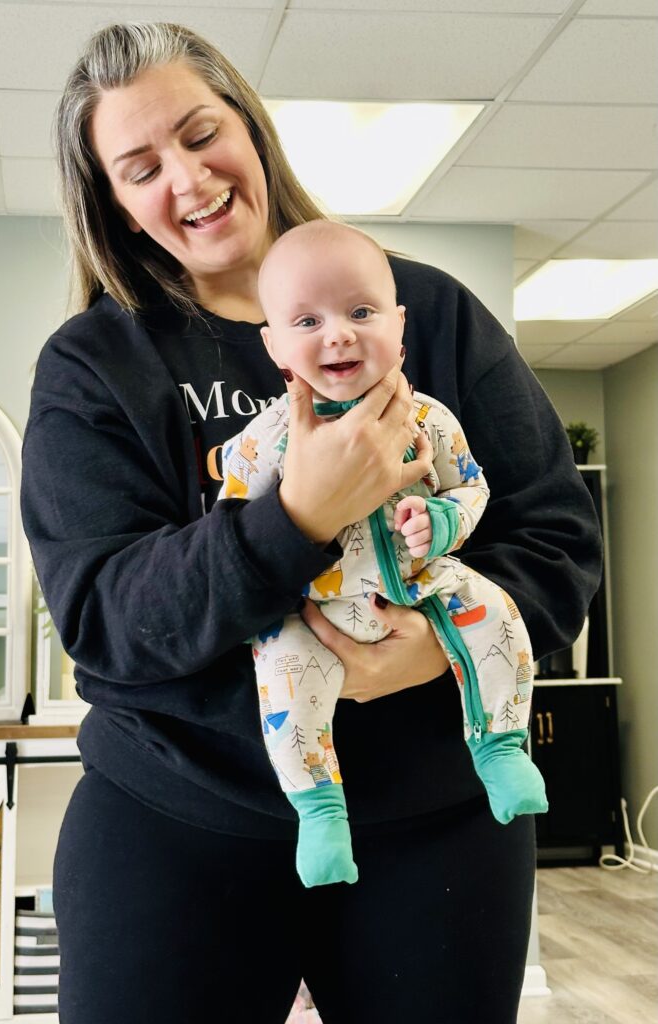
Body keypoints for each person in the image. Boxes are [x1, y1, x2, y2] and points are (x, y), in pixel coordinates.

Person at [20, 21, 602, 1024]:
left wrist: (429, 652)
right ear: (112, 202)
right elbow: (106, 618)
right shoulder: (95, 364)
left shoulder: (423, 306)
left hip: (434, 830)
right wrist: (294, 516)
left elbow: (556, 537)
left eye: (202, 134)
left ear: (250, 127)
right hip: (177, 823)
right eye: (141, 166)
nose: (189, 180)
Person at [219, 220, 547, 888]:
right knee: (282, 676)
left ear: (399, 326)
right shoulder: (272, 437)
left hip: (425, 585)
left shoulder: (429, 419)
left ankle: (501, 746)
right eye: (307, 321)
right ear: (274, 344)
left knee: (497, 612)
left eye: (361, 312)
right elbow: (230, 523)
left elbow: (472, 487)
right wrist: (292, 505)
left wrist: (443, 521)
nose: (338, 333)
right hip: (315, 607)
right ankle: (319, 810)